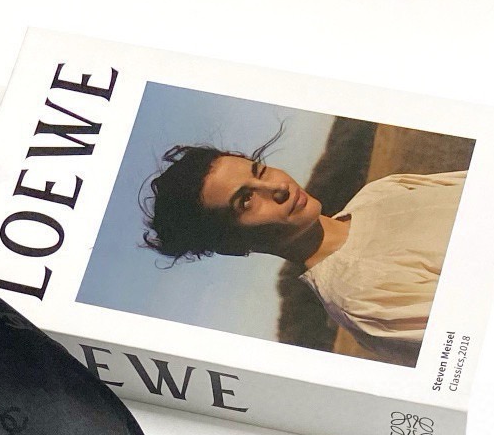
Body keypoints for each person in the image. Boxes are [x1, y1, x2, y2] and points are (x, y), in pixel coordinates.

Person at [141, 145, 465, 366]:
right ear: (233, 245)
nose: (278, 188)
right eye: (246, 200)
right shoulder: (362, 298)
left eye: (260, 171)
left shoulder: (380, 191)